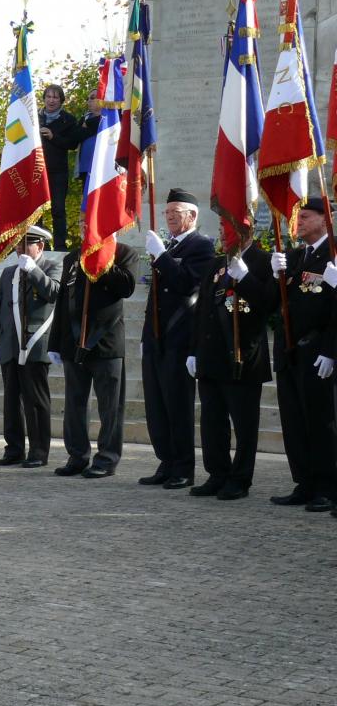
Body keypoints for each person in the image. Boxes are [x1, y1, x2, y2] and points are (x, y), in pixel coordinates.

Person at [188, 241, 277, 500]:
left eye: (228, 226)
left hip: (243, 355)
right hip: (211, 354)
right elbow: (202, 308)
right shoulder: (217, 263)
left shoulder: (263, 260)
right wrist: (193, 349)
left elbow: (269, 304)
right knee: (212, 422)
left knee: (244, 424)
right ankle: (217, 473)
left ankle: (240, 479)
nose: (222, 233)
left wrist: (246, 278)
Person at [138, 190, 215, 489]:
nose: (169, 216)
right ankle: (166, 461)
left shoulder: (202, 247)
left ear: (192, 216)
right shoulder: (168, 245)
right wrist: (146, 334)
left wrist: (161, 256)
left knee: (177, 404)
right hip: (157, 337)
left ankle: (183, 466)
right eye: (167, 211)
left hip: (180, 337)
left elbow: (185, 284)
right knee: (156, 405)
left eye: (176, 211)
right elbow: (155, 295)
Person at [49, 237, 139, 478]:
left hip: (105, 342)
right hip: (73, 342)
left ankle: (107, 458)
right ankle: (77, 455)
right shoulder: (73, 257)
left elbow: (126, 287)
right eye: (81, 221)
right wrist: (55, 342)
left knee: (110, 406)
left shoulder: (124, 252)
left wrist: (103, 260)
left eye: (87, 220)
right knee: (74, 404)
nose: (84, 226)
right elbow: (62, 301)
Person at [268, 199, 337, 512]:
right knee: (294, 422)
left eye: (306, 217)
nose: (299, 222)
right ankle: (305, 482)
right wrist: (274, 278)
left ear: (326, 219)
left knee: (321, 422)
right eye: (297, 217)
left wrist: (330, 351)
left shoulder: (333, 254)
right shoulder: (296, 257)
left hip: (318, 351)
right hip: (290, 350)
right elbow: (275, 307)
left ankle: (327, 486)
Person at [0, 225, 61, 468]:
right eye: (18, 245)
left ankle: (39, 451)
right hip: (9, 343)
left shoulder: (52, 267)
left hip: (35, 343)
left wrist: (34, 271)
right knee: (11, 400)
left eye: (25, 244)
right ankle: (14, 448)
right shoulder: (8, 272)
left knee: (36, 400)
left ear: (39, 246)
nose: (20, 250)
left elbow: (54, 293)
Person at [38, 84, 83, 251]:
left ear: (61, 100)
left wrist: (52, 136)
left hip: (58, 171)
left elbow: (72, 144)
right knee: (37, 210)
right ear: (44, 99)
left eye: (55, 97)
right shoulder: (35, 117)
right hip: (37, 171)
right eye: (48, 96)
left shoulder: (69, 119)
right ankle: (39, 244)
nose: (51, 100)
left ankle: (60, 246)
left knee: (58, 208)